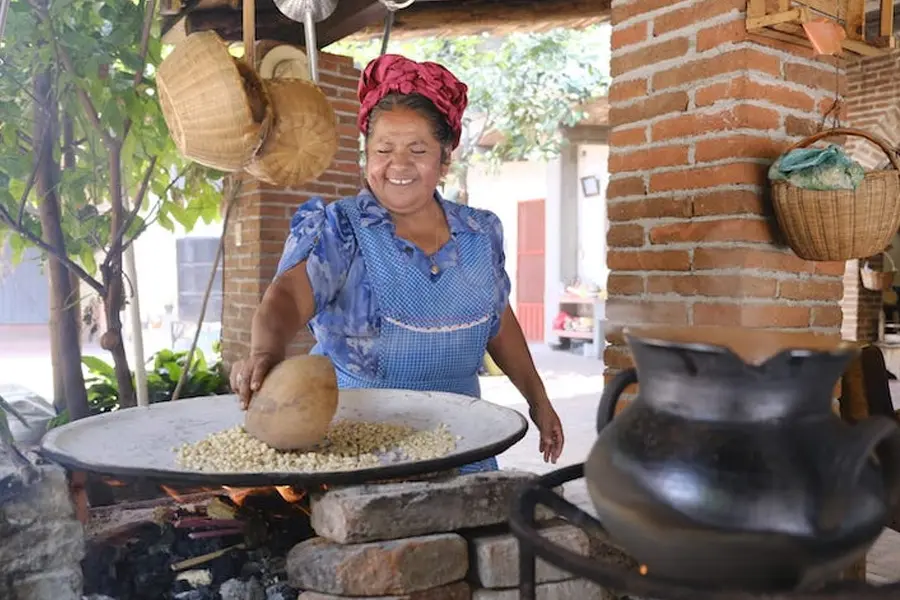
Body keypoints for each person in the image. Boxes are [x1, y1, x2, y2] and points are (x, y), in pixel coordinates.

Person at [229, 54, 564, 473]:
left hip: (463, 446)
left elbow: (499, 322)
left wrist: (539, 399)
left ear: (445, 159)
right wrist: (265, 349)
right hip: (357, 450)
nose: (399, 165)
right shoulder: (341, 230)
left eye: (418, 150)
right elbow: (288, 297)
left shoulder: (480, 234)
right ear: (366, 156)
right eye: (384, 149)